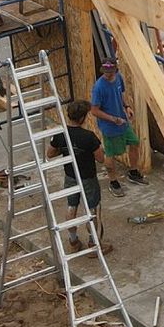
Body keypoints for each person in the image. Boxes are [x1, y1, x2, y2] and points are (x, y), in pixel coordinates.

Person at [47, 100, 107, 247]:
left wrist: (65, 149)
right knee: (92, 210)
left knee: (71, 206)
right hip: (88, 178)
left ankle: (73, 240)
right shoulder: (89, 137)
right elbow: (100, 159)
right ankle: (94, 243)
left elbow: (50, 154)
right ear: (82, 118)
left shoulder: (61, 134)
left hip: (70, 176)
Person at [89, 57, 144, 190]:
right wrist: (113, 119)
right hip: (109, 127)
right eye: (105, 71)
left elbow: (120, 94)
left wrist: (127, 107)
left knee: (134, 142)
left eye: (110, 71)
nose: (108, 74)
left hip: (122, 122)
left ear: (115, 70)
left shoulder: (118, 78)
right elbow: (94, 111)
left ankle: (133, 171)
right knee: (110, 154)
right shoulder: (99, 88)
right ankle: (113, 182)